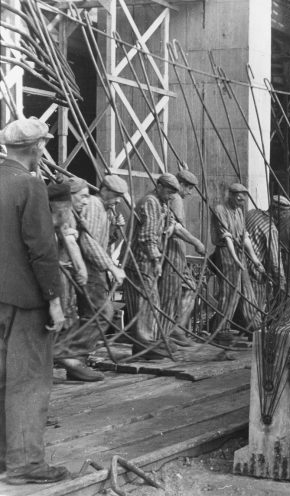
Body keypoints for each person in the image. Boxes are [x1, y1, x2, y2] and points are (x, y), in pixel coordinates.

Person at [0, 117, 69, 485]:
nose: (44, 149)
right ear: (35, 148)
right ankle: (25, 465)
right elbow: (42, 250)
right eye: (43, 145)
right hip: (26, 302)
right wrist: (54, 302)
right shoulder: (31, 186)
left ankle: (4, 458)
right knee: (27, 382)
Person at [65, 175, 128, 380]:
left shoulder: (104, 209)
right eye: (116, 195)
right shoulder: (93, 204)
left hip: (95, 269)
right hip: (89, 268)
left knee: (91, 315)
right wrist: (111, 266)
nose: (118, 200)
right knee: (102, 314)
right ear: (105, 190)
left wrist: (115, 229)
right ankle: (73, 357)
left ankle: (77, 361)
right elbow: (89, 242)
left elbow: (102, 241)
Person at [123, 173, 178, 359]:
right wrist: (156, 260)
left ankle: (146, 343)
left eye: (173, 194)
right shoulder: (151, 202)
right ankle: (143, 346)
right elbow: (147, 237)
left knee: (151, 302)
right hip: (140, 261)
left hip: (145, 261)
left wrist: (170, 225)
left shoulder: (162, 202)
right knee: (144, 303)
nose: (171, 197)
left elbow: (170, 217)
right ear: (159, 186)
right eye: (169, 192)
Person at [48, 184, 93, 381]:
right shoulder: (62, 213)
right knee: (62, 318)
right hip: (57, 272)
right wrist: (80, 268)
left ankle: (63, 360)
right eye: (82, 196)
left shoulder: (71, 214)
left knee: (67, 317)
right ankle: (67, 360)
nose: (86, 201)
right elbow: (69, 242)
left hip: (61, 270)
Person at [209, 183, 265, 337]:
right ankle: (221, 329)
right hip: (226, 253)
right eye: (238, 196)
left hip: (238, 253)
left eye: (243, 197)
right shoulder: (221, 210)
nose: (241, 200)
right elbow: (226, 236)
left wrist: (255, 260)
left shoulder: (239, 211)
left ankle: (255, 326)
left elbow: (244, 236)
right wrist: (235, 259)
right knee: (230, 291)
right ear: (231, 195)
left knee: (247, 291)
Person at [158, 169, 206, 346]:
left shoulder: (172, 197)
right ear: (182, 185)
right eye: (189, 188)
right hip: (172, 251)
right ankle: (172, 332)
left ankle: (174, 330)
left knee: (187, 288)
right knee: (173, 292)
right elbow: (176, 227)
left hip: (176, 251)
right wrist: (196, 242)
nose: (191, 192)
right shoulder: (176, 198)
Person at [245, 204, 286, 318]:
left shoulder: (251, 213)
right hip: (254, 271)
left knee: (239, 301)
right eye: (284, 213)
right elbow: (275, 262)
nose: (284, 217)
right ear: (277, 211)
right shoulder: (271, 228)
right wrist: (281, 282)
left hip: (239, 263)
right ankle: (254, 330)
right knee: (254, 308)